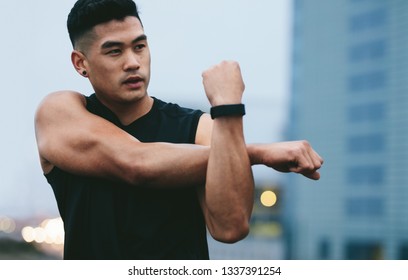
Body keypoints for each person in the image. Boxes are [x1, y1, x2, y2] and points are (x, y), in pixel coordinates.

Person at [34, 0, 323, 260]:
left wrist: (228, 105)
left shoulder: (200, 128)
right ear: (81, 63)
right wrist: (259, 152)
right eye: (114, 51)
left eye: (139, 46)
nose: (133, 62)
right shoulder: (60, 113)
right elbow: (136, 163)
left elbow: (231, 226)